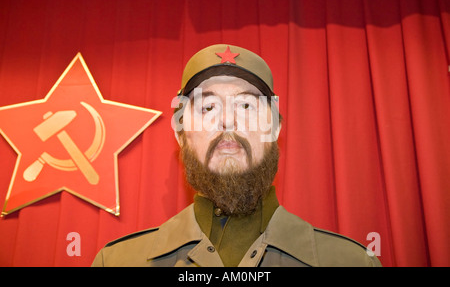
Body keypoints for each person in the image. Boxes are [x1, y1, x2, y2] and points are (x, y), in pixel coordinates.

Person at [92, 44, 381, 267]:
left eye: (246, 107)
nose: (228, 121)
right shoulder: (118, 261)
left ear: (276, 129)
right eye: (207, 108)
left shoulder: (350, 261)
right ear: (181, 135)